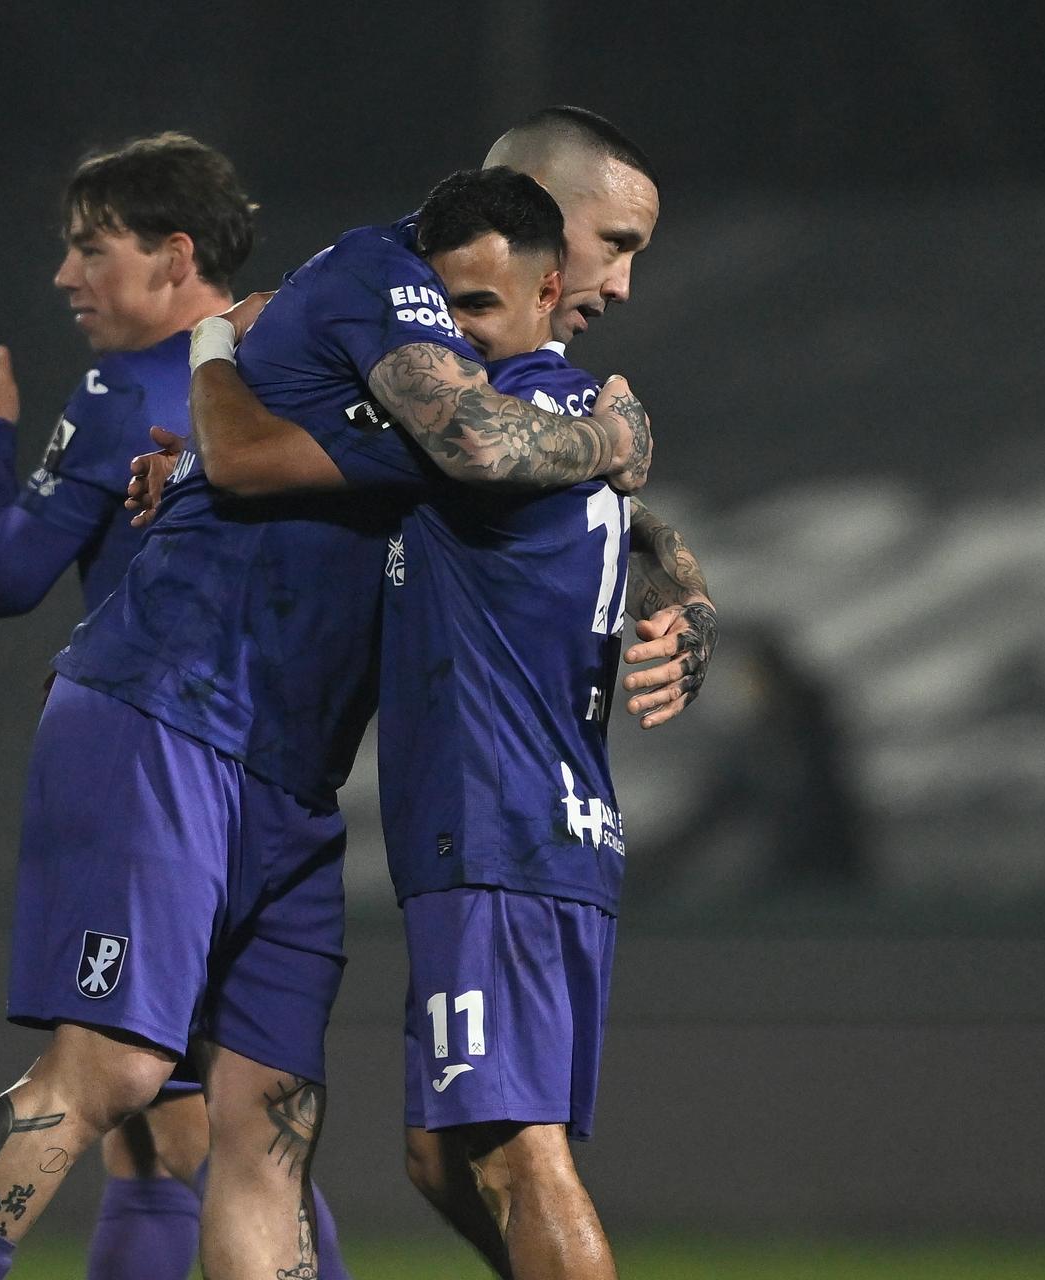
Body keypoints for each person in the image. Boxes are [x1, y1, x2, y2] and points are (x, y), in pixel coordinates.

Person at [0, 163, 651, 1280]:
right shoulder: (380, 285)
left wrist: (675, 579)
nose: (618, 280)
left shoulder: (475, 386)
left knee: (266, 1127)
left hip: (291, 774)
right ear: (545, 232)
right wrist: (618, 436)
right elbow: (369, 452)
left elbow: (541, 491)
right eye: (614, 241)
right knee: (114, 1068)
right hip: (167, 713)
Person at [175, 121, 706, 1280]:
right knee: (437, 1153)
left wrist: (215, 352)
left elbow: (284, 455)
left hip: (502, 822)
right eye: (616, 244)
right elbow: (576, 500)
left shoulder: (511, 415)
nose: (620, 285)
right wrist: (673, 568)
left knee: (516, 1156)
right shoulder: (554, 424)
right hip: (517, 824)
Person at [0, 131, 349, 1280]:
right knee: (201, 1129)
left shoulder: (132, 387)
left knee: (140, 1100)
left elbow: (8, 572)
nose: (68, 277)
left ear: (176, 255)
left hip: (160, 764)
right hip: (275, 772)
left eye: (91, 249)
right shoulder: (314, 377)